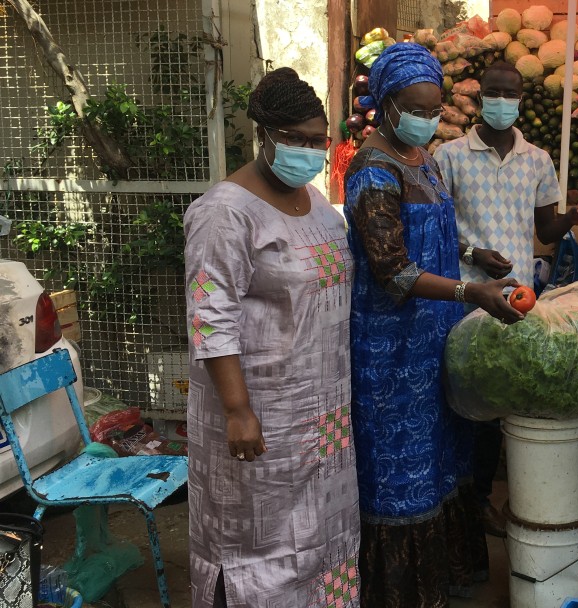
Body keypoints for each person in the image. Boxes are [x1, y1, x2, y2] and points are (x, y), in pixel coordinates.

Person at [343, 43, 524, 607]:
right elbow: (392, 269)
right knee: (402, 468)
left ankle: (444, 575)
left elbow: (433, 230)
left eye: (434, 107)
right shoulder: (372, 171)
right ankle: (400, 593)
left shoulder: (423, 159)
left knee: (447, 454)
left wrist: (474, 252)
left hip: (436, 337)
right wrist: (472, 291)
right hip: (391, 349)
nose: (427, 118)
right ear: (387, 105)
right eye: (416, 109)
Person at [184, 67, 361, 608]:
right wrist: (238, 409)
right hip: (259, 415)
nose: (310, 151)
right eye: (296, 140)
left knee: (321, 543)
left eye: (318, 140)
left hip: (323, 417)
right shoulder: (224, 213)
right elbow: (210, 317)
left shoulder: (319, 206)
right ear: (264, 135)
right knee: (254, 545)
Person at [433, 60, 578, 537]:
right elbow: (434, 232)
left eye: (511, 94)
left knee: (497, 398)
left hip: (515, 303)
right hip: (460, 297)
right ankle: (456, 499)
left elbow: (545, 229)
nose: (503, 102)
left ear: (520, 100)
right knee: (457, 398)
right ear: (479, 99)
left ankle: (479, 501)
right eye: (494, 93)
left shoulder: (537, 159)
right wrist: (473, 251)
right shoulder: (449, 157)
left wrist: (577, 213)